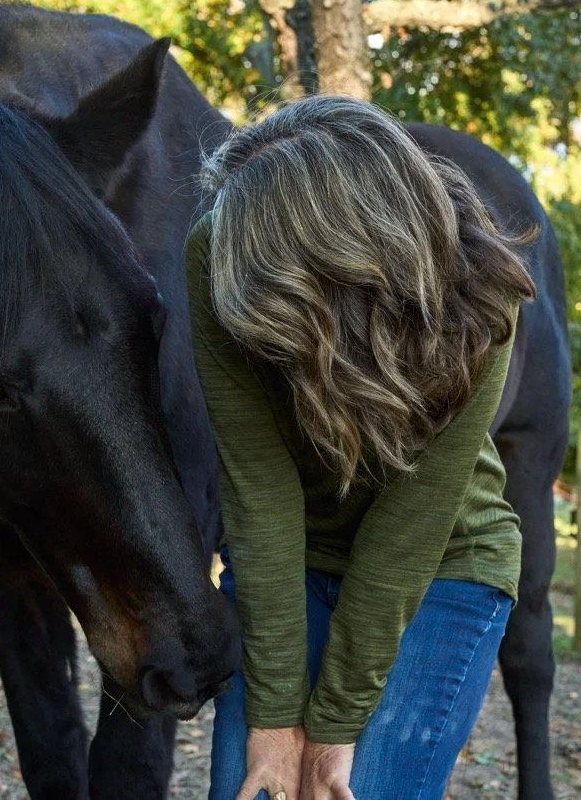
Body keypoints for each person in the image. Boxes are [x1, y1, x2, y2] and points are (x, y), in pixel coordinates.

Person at [185, 96, 535, 800]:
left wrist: (336, 727)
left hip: (442, 561)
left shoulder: (479, 294)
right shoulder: (217, 250)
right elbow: (258, 493)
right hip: (291, 558)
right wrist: (275, 721)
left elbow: (414, 521)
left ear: (347, 254)